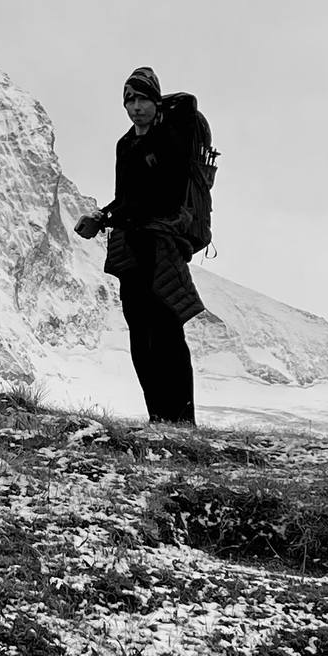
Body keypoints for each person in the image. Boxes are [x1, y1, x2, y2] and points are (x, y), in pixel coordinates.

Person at [74, 66, 204, 424]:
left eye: (142, 98)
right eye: (129, 101)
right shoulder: (125, 144)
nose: (135, 107)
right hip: (130, 246)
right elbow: (125, 196)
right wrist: (102, 217)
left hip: (161, 243)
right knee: (139, 334)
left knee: (166, 332)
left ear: (155, 99)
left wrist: (118, 214)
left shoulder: (171, 137)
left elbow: (168, 193)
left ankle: (182, 419)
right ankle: (158, 417)